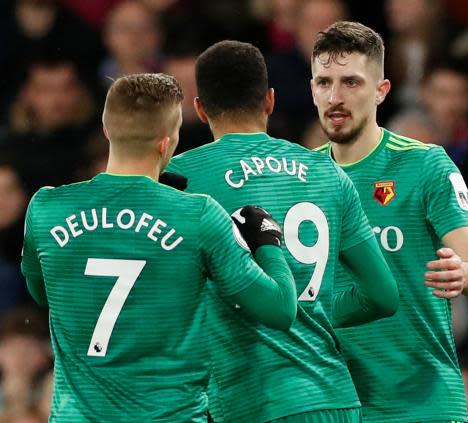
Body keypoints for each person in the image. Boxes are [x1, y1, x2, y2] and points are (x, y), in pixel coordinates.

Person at [20, 73, 299, 422]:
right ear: (167, 143)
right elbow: (279, 310)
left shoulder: (46, 208)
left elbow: (41, 293)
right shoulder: (196, 215)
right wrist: (267, 241)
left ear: (106, 129)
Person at [166, 40, 399, 423]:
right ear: (270, 101)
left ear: (200, 109)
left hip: (252, 401)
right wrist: (312, 310)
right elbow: (383, 296)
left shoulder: (179, 180)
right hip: (334, 397)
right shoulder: (329, 174)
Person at [311, 21, 468, 422]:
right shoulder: (299, 179)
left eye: (351, 82)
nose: (335, 97)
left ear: (381, 91)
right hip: (333, 406)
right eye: (324, 82)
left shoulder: (424, 164)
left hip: (420, 404)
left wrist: (463, 274)